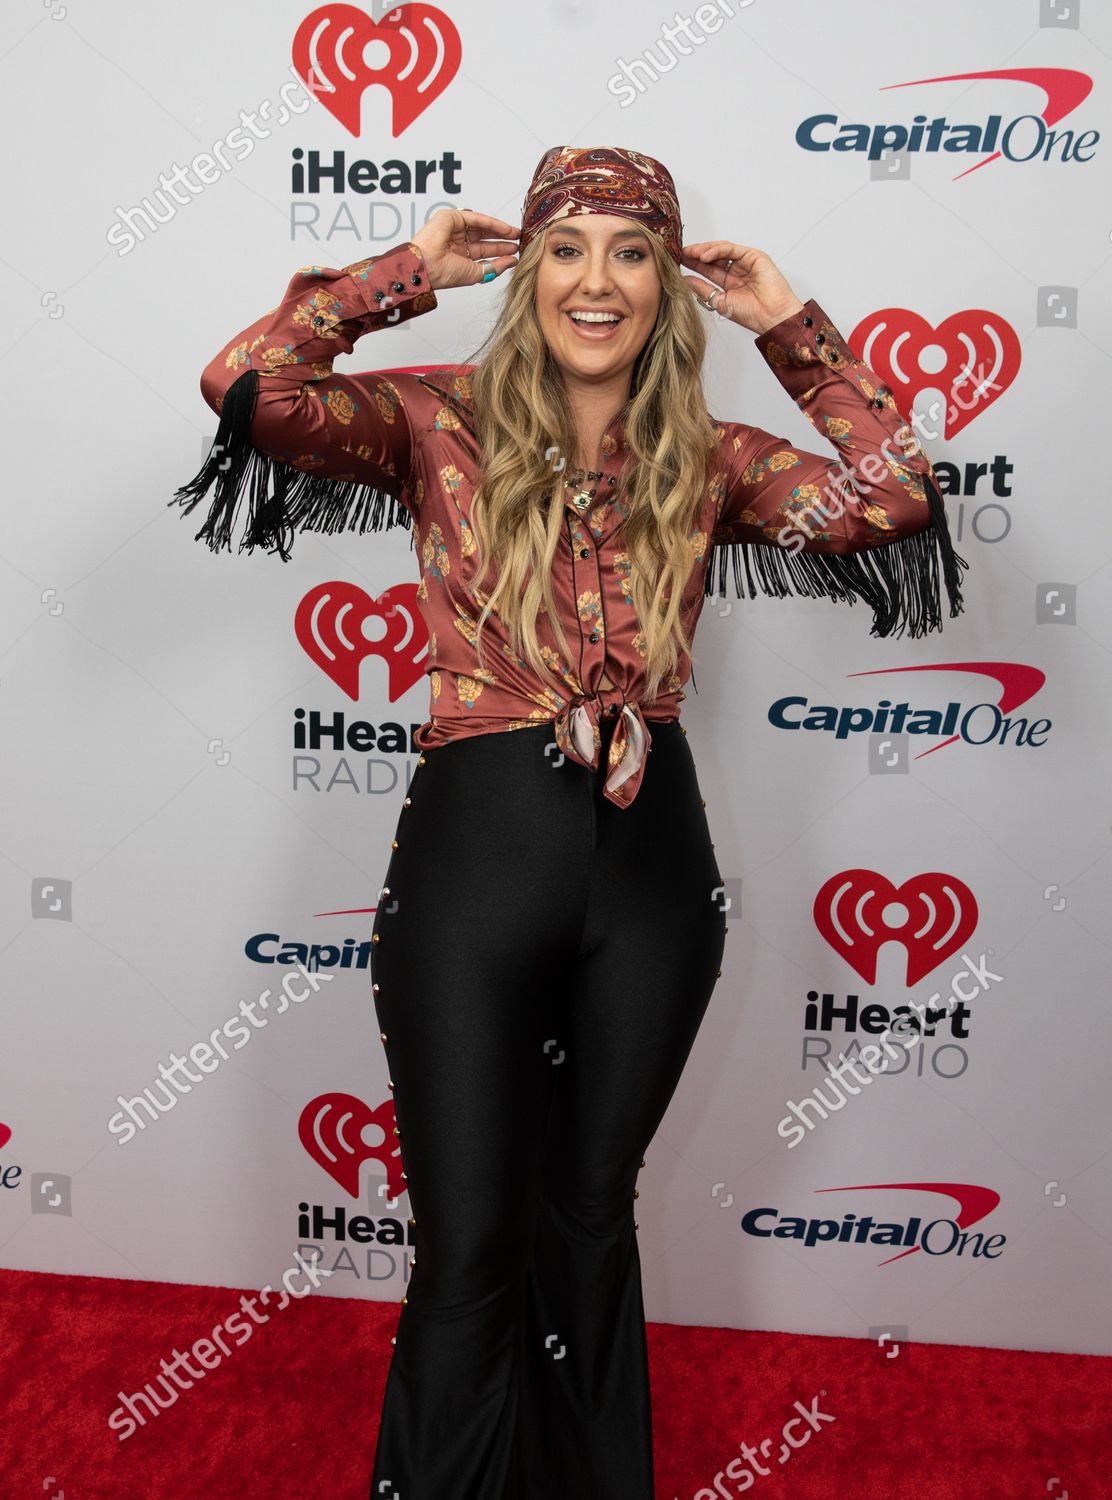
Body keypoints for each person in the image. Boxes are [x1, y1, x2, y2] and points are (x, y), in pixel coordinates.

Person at [170, 145, 968, 1499]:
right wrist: (401, 276)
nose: (597, 279)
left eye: (632, 250)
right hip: (477, 859)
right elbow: (250, 388)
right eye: (569, 248)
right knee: (473, 1246)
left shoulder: (712, 459)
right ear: (529, 269)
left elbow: (892, 496)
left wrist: (791, 328)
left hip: (657, 878)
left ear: (667, 281)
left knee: (592, 1219)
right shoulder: (436, 419)